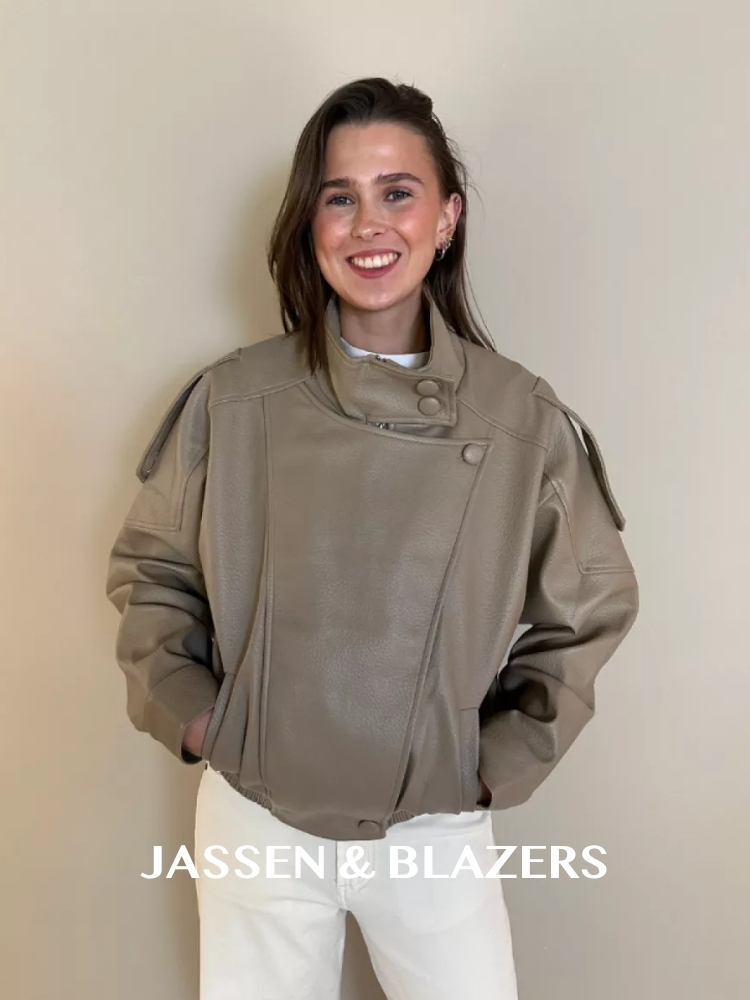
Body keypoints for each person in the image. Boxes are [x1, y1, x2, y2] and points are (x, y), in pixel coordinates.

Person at [106, 77, 639, 1000]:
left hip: (432, 829)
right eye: (339, 198)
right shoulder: (234, 398)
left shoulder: (521, 418)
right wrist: (202, 719)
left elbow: (590, 606)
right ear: (309, 225)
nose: (368, 226)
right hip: (256, 819)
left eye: (398, 192)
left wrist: (486, 766)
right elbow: (152, 570)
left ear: (447, 218)